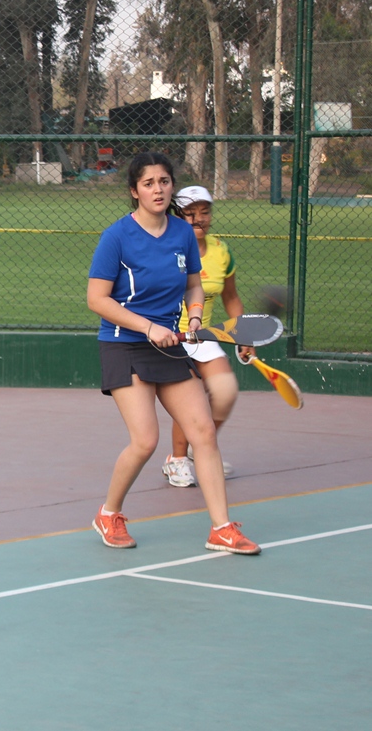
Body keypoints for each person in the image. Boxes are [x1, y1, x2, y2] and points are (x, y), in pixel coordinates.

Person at [86, 152, 260, 555]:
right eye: (148, 183)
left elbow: (193, 285)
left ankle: (221, 528)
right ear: (134, 192)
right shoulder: (117, 237)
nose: (158, 189)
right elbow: (96, 299)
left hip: (170, 345)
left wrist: (194, 316)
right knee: (145, 441)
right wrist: (147, 326)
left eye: (164, 182)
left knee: (203, 432)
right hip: (123, 344)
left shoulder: (183, 233)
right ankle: (109, 512)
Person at [160, 185, 251, 487]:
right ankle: (176, 460)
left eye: (205, 211)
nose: (199, 219)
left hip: (205, 337)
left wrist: (242, 334)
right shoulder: (164, 246)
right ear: (177, 215)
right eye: (190, 213)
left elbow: (231, 297)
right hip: (170, 338)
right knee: (191, 398)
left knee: (225, 392)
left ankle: (203, 446)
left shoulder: (221, 251)